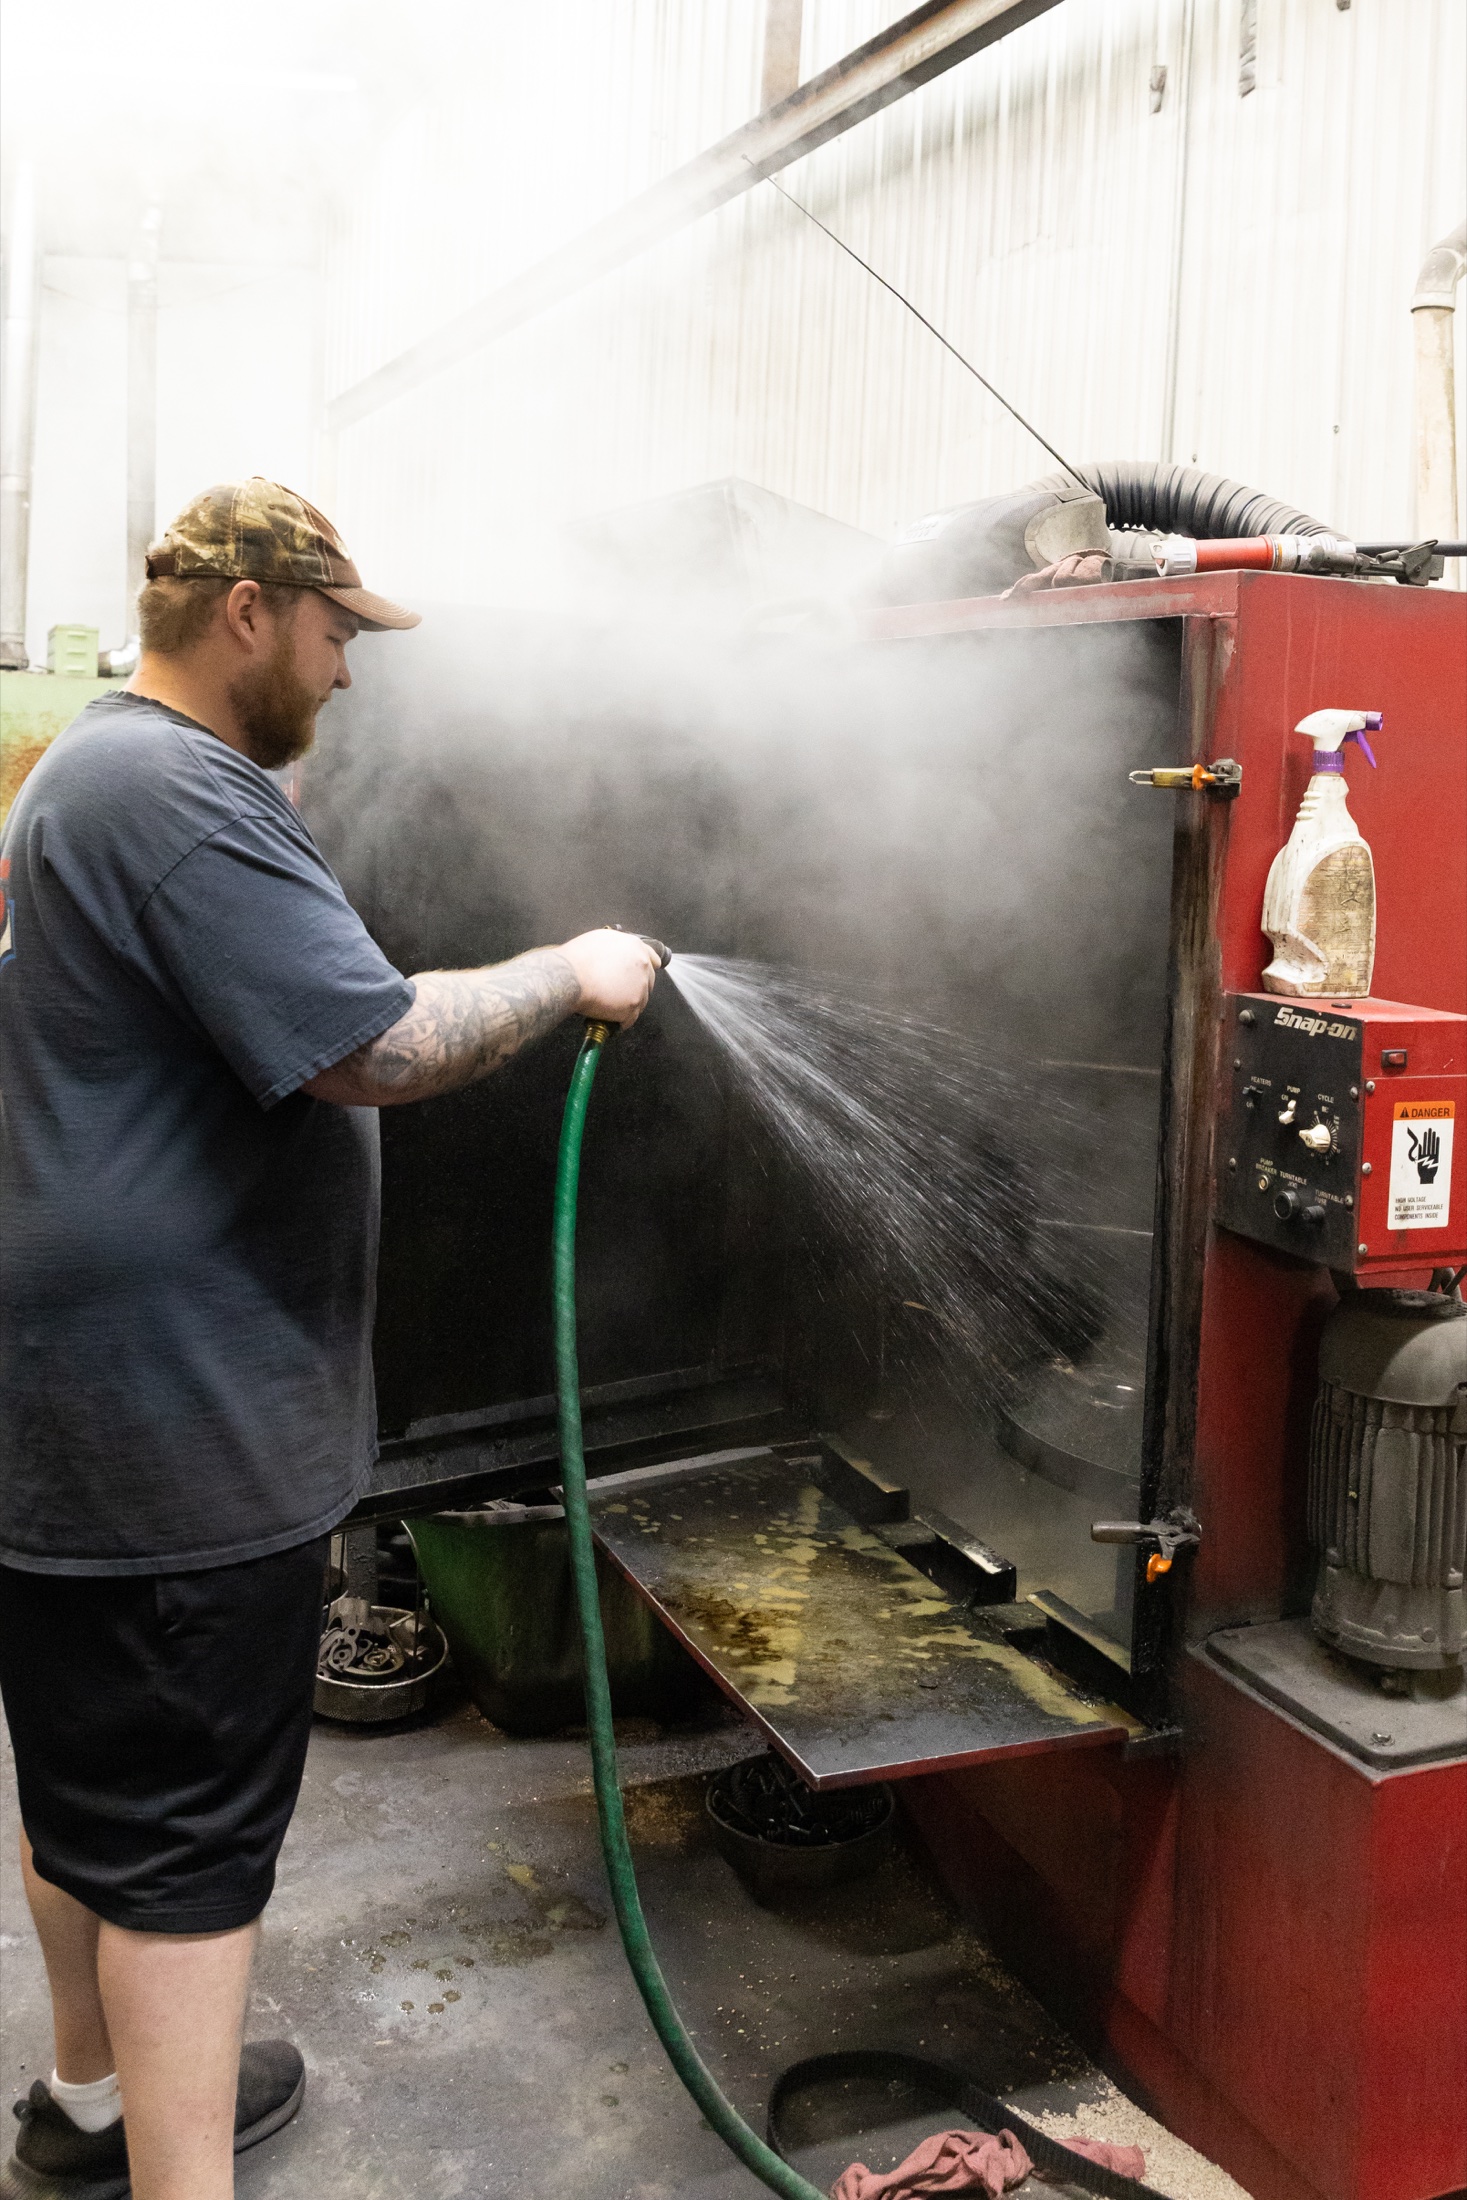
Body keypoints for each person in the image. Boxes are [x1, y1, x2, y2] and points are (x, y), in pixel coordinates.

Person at [0, 479, 660, 2200]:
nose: (350, 669)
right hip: (179, 1426)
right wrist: (569, 969)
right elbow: (376, 1047)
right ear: (250, 612)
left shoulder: (98, 770)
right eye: (335, 630)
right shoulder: (173, 794)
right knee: (189, 1853)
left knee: (94, 1792)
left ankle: (90, 2099)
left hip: (82, 1410)